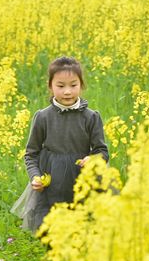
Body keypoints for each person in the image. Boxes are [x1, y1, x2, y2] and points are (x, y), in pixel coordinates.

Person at [21, 56, 109, 235]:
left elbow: (102, 151)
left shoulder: (91, 117)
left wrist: (92, 159)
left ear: (81, 85)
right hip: (52, 182)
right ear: (50, 86)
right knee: (50, 228)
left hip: (82, 181)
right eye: (60, 86)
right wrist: (35, 176)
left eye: (73, 85)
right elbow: (31, 154)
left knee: (83, 226)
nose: (67, 92)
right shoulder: (43, 117)